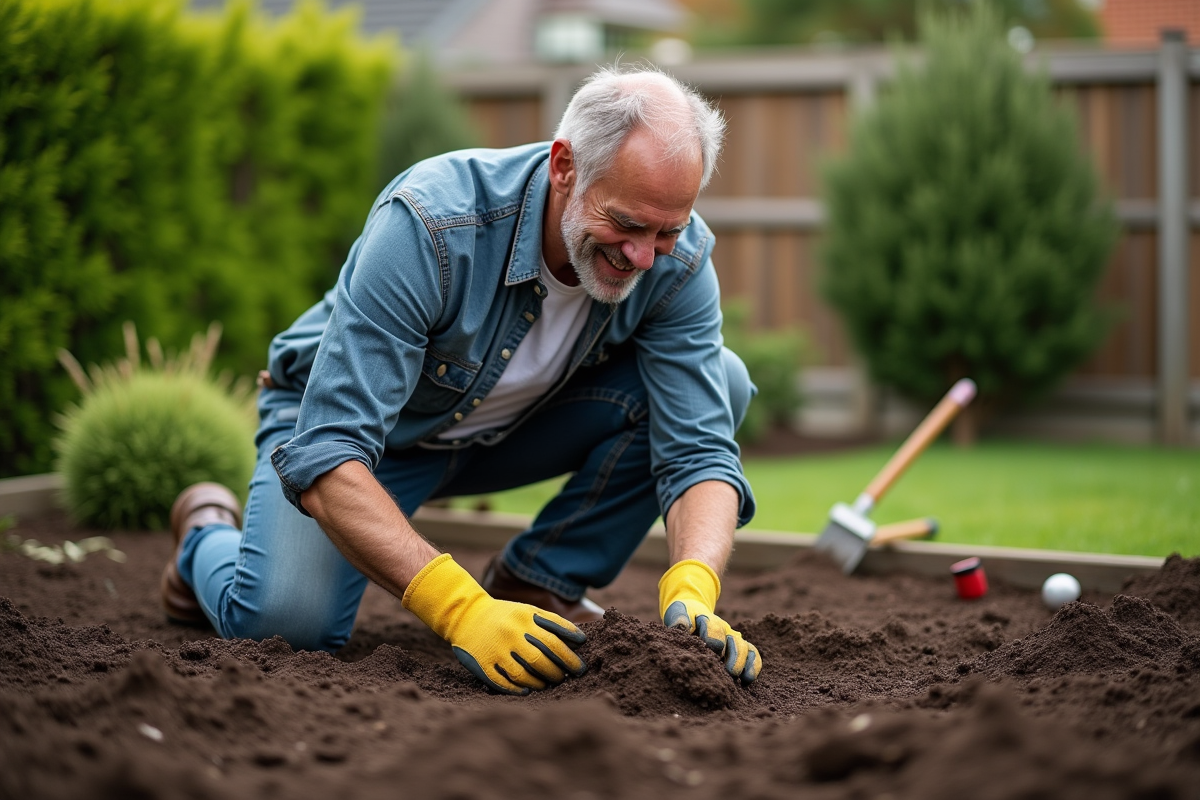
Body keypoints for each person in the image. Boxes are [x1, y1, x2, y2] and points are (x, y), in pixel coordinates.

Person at [160, 64, 762, 695]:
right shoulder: (433, 224)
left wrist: (695, 588)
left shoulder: (681, 261)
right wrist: (459, 609)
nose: (644, 254)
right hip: (361, 440)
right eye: (628, 224)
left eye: (667, 229)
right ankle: (203, 534)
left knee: (723, 380)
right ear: (564, 167)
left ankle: (536, 582)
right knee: (283, 626)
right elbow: (330, 444)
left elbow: (698, 449)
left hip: (502, 432)